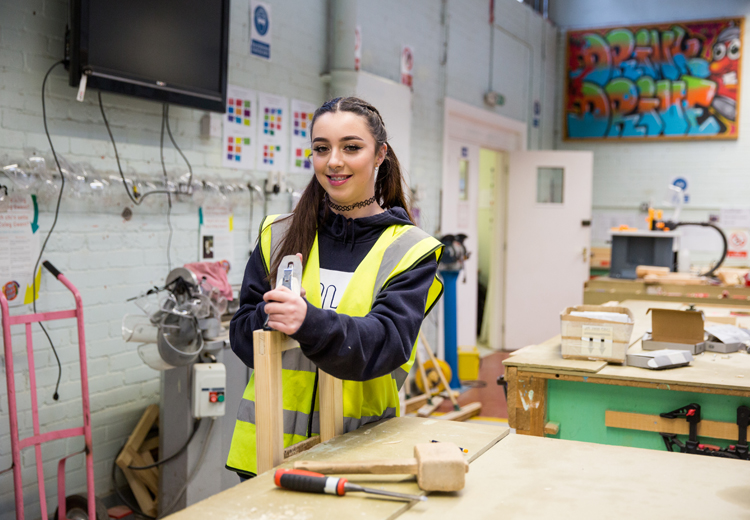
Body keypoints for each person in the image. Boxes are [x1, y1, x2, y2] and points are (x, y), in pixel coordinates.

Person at [225, 97, 444, 479]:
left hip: (357, 452)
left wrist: (307, 321)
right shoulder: (277, 235)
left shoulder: (409, 249)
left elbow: (385, 343)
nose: (334, 161)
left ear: (380, 155)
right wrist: (268, 316)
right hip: (266, 457)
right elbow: (243, 335)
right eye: (322, 148)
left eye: (351, 147)